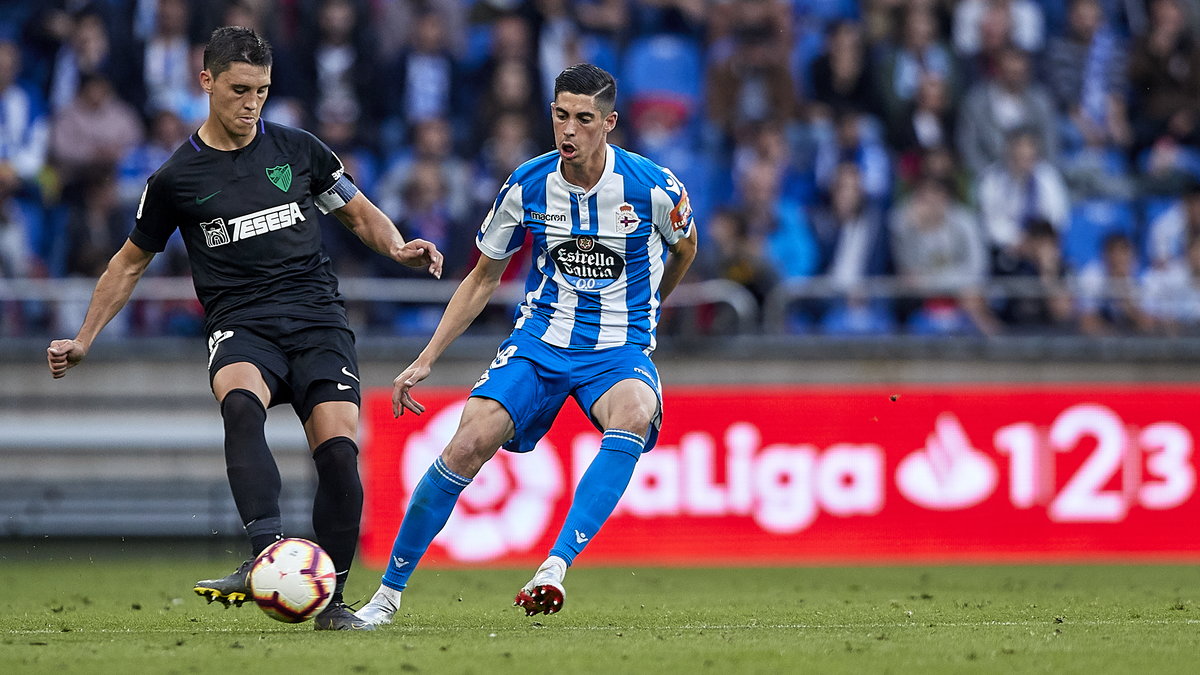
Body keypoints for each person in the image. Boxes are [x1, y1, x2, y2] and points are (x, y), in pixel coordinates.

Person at [45, 26, 443, 631]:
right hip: (242, 323)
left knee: (339, 455)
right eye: (238, 89)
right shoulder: (175, 180)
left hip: (317, 319)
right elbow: (127, 265)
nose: (251, 103)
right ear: (206, 82)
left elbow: (358, 213)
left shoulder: (299, 150)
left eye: (260, 90)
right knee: (239, 403)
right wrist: (84, 339)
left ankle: (330, 603)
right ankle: (266, 554)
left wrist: (400, 247)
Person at [355, 63, 698, 625]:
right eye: (560, 115)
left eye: (584, 119)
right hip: (540, 342)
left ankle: (554, 567)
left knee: (635, 414)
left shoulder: (653, 187)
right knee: (466, 444)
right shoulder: (527, 184)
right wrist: (426, 358)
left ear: (609, 122)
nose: (569, 130)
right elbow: (482, 277)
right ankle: (385, 598)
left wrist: (649, 308)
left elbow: (685, 249)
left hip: (616, 349)